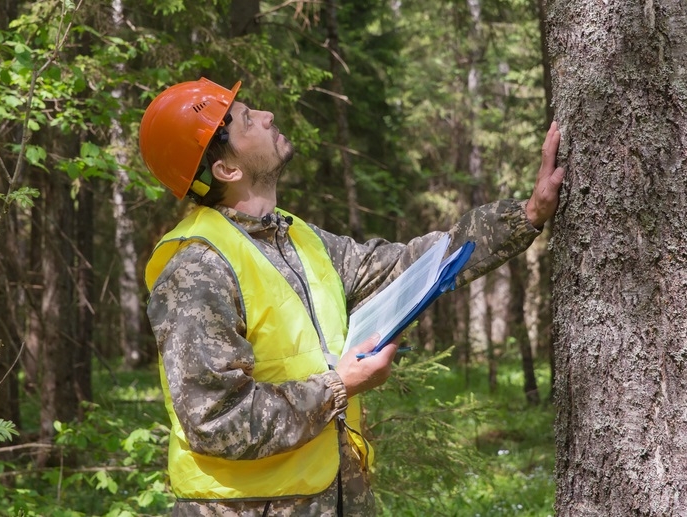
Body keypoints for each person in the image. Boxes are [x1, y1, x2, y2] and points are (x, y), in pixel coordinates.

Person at [140, 77, 564, 516]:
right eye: (249, 120)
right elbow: (214, 420)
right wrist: (338, 386)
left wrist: (528, 214)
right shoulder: (197, 267)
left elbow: (411, 267)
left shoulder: (298, 238)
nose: (267, 116)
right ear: (227, 169)